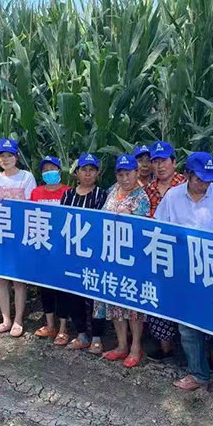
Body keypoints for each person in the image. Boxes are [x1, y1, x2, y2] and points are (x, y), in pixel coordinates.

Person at [155, 152, 213, 404]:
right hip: (184, 272)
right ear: (187, 175)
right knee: (187, 327)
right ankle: (198, 373)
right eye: (199, 179)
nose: (204, 184)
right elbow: (160, 230)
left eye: (208, 179)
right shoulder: (173, 197)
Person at [97, 154, 151, 367]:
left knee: (132, 305)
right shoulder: (112, 191)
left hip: (132, 259)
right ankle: (121, 345)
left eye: (128, 174)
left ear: (136, 173)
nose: (124, 178)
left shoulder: (141, 197)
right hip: (110, 255)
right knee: (114, 302)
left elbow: (142, 228)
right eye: (120, 174)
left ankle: (136, 346)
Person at [0, 138, 37, 338]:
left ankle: (18, 320)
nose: (5, 159)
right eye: (2, 156)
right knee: (1, 279)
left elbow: (31, 205)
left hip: (19, 234)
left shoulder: (26, 177)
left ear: (17, 157)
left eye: (9, 155)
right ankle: (6, 319)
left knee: (18, 280)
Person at [58, 153, 108, 351]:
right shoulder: (68, 195)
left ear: (97, 173)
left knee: (96, 297)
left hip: (95, 253)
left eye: (91, 170)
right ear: (76, 173)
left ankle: (97, 336)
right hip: (72, 253)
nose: (87, 174)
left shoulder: (102, 195)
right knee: (73, 293)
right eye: (84, 170)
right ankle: (81, 334)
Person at [142, 140, 185, 360]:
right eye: (155, 161)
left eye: (164, 161)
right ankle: (164, 346)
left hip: (182, 252)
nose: (159, 166)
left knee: (184, 297)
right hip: (155, 251)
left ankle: (191, 350)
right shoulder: (148, 189)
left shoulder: (185, 186)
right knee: (157, 295)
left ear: (174, 163)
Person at [30, 156, 71, 339]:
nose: (49, 173)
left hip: (62, 248)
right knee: (45, 287)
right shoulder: (36, 193)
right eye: (45, 170)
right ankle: (50, 324)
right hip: (42, 247)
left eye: (52, 169)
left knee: (62, 288)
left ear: (59, 171)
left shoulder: (68, 192)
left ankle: (63, 327)